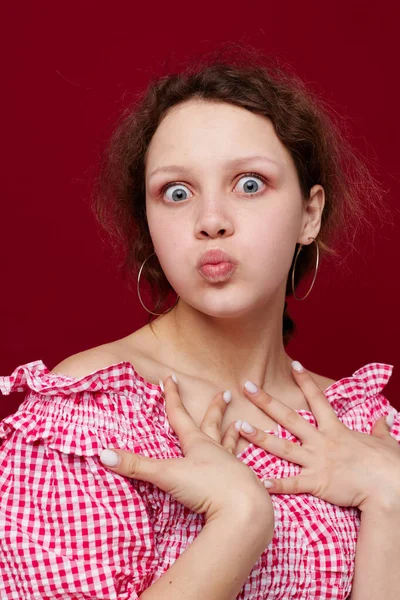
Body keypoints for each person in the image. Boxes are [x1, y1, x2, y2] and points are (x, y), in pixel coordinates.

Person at [1, 44, 399, 600]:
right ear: (149, 222)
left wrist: (390, 502)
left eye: (250, 183)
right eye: (177, 192)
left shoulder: (369, 430)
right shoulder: (87, 419)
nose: (210, 220)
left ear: (309, 214)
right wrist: (239, 521)